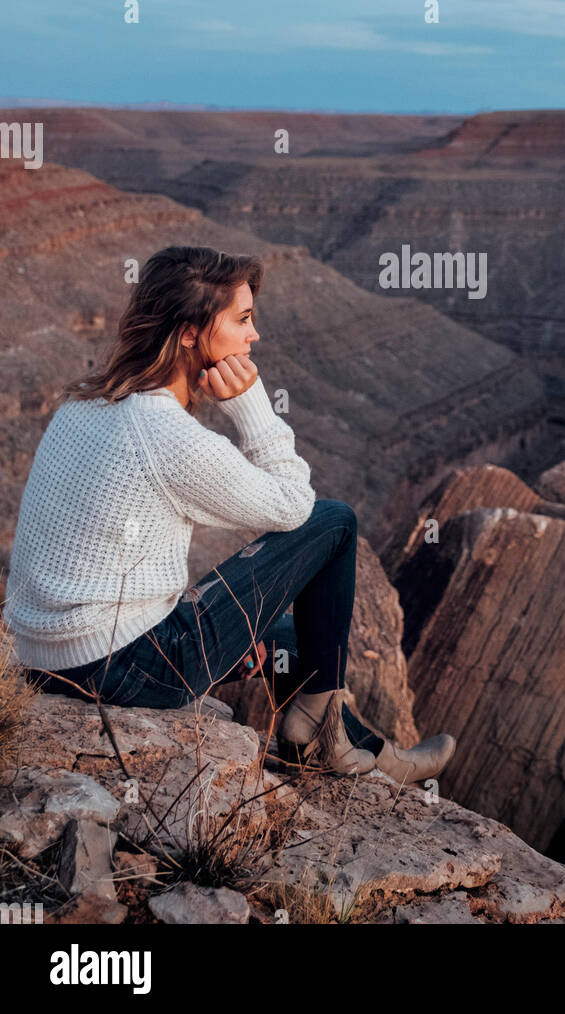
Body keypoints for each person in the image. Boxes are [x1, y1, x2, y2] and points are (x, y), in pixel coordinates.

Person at [2, 245, 455, 784]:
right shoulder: (170, 438)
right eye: (242, 319)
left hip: (46, 663)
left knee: (290, 637)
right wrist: (252, 405)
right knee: (335, 522)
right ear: (190, 333)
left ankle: (366, 751)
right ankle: (321, 733)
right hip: (123, 670)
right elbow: (296, 506)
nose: (253, 335)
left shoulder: (81, 404)